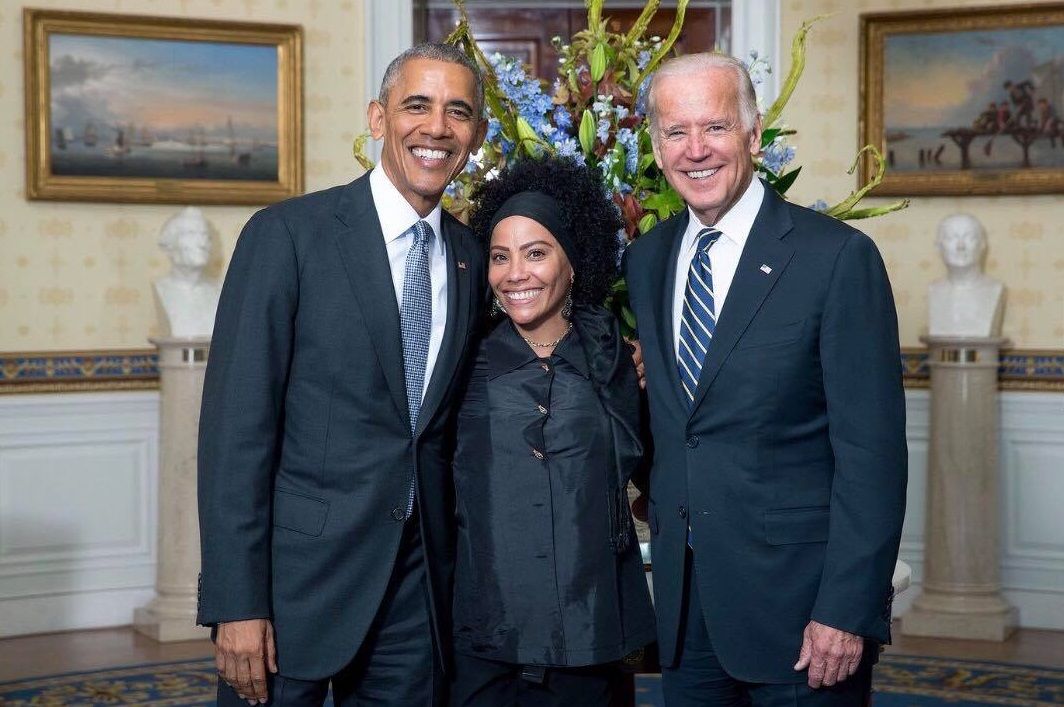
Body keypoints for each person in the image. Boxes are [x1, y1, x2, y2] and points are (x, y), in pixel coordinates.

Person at [197, 43, 487, 707]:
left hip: (416, 595)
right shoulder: (287, 236)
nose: (437, 127)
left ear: (477, 134)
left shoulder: (472, 258)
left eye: (458, 111)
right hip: (292, 590)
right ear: (378, 118)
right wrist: (235, 602)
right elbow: (235, 435)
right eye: (417, 105)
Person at [623, 53, 907, 705]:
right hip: (687, 611)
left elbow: (873, 456)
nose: (696, 149)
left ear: (753, 136)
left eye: (716, 127)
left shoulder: (836, 258)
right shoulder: (648, 258)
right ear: (656, 145)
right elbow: (678, 425)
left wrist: (846, 608)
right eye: (675, 131)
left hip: (803, 614)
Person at [449, 156, 656, 706]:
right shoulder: (461, 362)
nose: (515, 273)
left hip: (589, 634)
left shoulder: (614, 356)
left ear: (573, 262)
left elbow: (647, 471)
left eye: (535, 253)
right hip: (486, 635)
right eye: (500, 257)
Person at [928, 213, 1004, 338]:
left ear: (983, 245)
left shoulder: (995, 289)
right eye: (951, 238)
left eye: (970, 238)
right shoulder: (933, 290)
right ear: (938, 246)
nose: (960, 246)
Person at [154, 206, 221, 338]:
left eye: (205, 235)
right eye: (191, 234)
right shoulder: (160, 289)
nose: (202, 243)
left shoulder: (220, 290)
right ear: (170, 244)